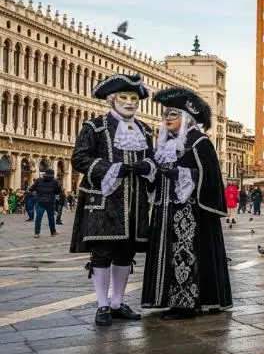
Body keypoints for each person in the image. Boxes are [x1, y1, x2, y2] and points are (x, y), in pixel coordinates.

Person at [70, 73, 156, 326]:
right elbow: (79, 159)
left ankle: (118, 303)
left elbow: (153, 158)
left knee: (125, 253)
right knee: (102, 253)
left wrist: (148, 166)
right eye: (124, 97)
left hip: (135, 202)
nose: (130, 102)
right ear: (111, 100)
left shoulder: (144, 130)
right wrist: (109, 168)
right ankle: (102, 305)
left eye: (133, 98)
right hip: (104, 202)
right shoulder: (94, 127)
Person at [141, 87, 232, 319]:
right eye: (166, 115)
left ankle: (186, 303)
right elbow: (157, 173)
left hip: (189, 212)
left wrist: (181, 174)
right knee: (166, 253)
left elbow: (209, 176)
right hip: (164, 210)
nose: (167, 119)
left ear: (187, 117)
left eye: (174, 114)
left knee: (183, 254)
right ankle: (166, 299)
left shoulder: (199, 142)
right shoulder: (164, 144)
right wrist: (150, 171)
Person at [28, 169, 64, 238]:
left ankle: (37, 233)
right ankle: (53, 232)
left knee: (38, 217)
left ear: (45, 173)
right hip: (50, 202)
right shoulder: (55, 181)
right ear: (53, 174)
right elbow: (59, 191)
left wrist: (37, 192)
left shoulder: (38, 180)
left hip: (40, 201)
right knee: (51, 217)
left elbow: (31, 189)